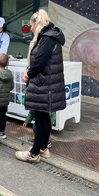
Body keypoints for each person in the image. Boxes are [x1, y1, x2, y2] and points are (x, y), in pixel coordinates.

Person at [15, 9, 66, 163]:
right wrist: (29, 70)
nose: (30, 28)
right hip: (47, 84)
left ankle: (34, 153)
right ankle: (43, 149)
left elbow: (39, 62)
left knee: (41, 117)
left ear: (37, 24)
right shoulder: (50, 36)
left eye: (31, 25)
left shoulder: (47, 38)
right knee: (44, 117)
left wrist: (28, 73)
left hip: (44, 85)